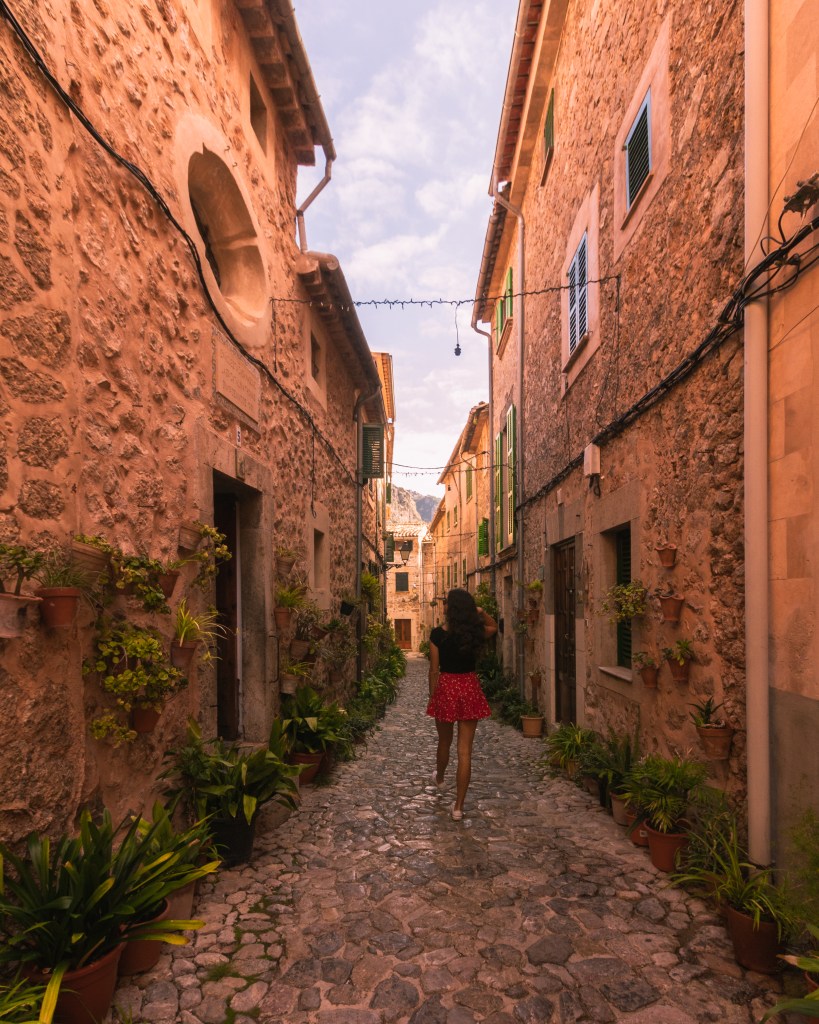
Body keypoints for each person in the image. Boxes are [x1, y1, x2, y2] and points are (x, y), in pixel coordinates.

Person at [426, 588, 498, 820]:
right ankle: (458, 807)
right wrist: (481, 610)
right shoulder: (475, 633)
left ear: (450, 608)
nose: (444, 605)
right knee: (465, 751)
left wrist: (433, 696)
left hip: (446, 688)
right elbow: (494, 627)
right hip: (469, 687)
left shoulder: (437, 635)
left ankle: (439, 778)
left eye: (446, 602)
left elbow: (434, 670)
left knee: (444, 741)